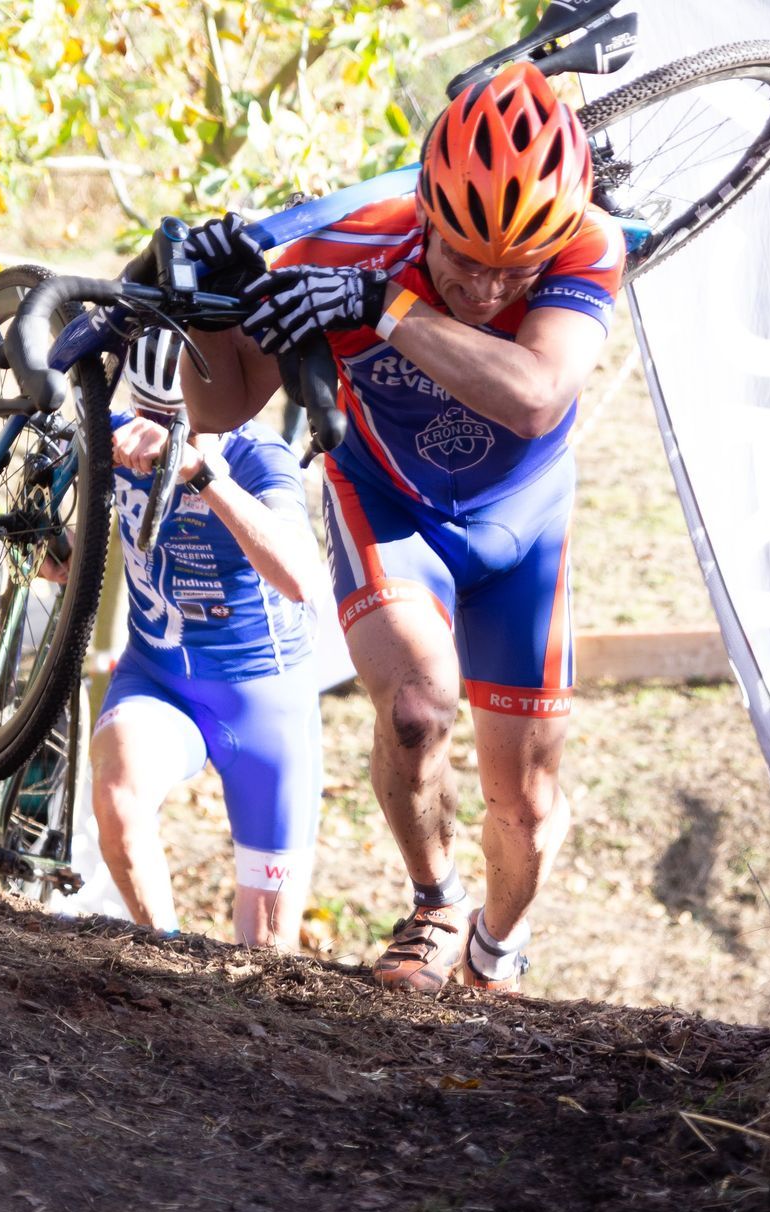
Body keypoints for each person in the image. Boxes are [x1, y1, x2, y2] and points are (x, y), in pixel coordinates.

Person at [178, 62, 620, 992]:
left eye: (515, 270)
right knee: (415, 713)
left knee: (527, 806)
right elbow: (219, 410)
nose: (487, 287)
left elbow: (537, 397)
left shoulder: (587, 244)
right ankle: (435, 904)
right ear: (425, 209)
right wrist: (206, 313)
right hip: (390, 502)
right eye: (464, 258)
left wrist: (388, 307)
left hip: (523, 526)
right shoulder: (344, 246)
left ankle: (496, 943)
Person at [90, 326, 325, 950]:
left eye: (183, 424)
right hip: (158, 679)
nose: (157, 438)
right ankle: (168, 962)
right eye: (148, 417)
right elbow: (61, 558)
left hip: (264, 703)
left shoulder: (259, 455)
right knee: (118, 797)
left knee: (266, 949)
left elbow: (301, 578)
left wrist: (201, 472)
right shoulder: (115, 437)